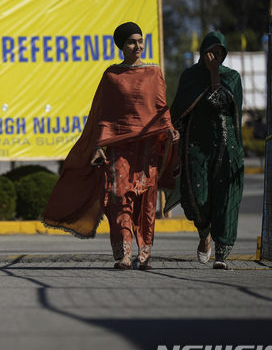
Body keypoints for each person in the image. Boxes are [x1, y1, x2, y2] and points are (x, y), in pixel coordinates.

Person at [43, 22, 179, 270]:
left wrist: (169, 128)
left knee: (146, 202)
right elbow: (104, 115)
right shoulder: (112, 76)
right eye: (131, 42)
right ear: (121, 46)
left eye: (140, 40)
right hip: (119, 147)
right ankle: (124, 254)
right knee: (117, 197)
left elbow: (160, 106)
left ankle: (145, 253)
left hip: (148, 148)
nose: (137, 46)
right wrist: (98, 146)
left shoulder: (154, 72)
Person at [167, 31, 244, 269]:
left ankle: (221, 253)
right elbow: (178, 111)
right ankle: (204, 235)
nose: (215, 57)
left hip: (226, 149)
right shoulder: (190, 76)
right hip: (196, 149)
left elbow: (219, 103)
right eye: (211, 52)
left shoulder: (231, 77)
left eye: (220, 53)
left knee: (225, 201)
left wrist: (213, 75)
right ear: (202, 52)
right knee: (197, 199)